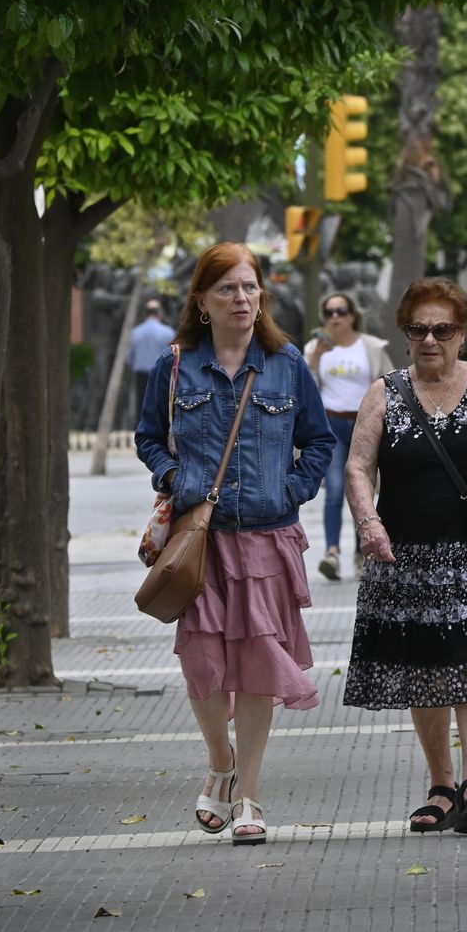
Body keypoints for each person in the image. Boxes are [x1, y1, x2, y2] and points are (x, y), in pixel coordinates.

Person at [135, 244, 335, 845]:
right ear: (202, 301)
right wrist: (176, 480)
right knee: (203, 665)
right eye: (227, 290)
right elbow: (149, 439)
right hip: (201, 543)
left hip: (266, 541)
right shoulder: (174, 367)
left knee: (254, 669)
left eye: (250, 288)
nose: (242, 299)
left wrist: (289, 492)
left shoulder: (285, 363)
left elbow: (320, 442)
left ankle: (248, 795)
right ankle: (219, 764)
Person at [343, 277, 467, 837]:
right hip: (405, 556)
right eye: (418, 330)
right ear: (405, 336)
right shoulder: (386, 392)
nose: (430, 339)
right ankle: (442, 785)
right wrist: (368, 520)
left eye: (442, 329)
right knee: (425, 670)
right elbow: (358, 465)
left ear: (463, 333)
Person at [302, 293, 391, 581]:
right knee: (336, 489)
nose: (335, 317)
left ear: (352, 314)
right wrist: (314, 359)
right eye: (329, 313)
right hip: (332, 425)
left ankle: (361, 552)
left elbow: (389, 382)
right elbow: (305, 388)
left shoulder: (371, 347)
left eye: (341, 311)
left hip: (364, 426)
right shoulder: (315, 348)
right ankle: (332, 552)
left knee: (362, 489)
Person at [128, 299, 176, 424]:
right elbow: (174, 355)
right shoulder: (168, 332)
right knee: (161, 401)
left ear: (145, 313)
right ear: (159, 313)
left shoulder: (135, 332)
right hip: (161, 372)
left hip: (141, 372)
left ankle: (141, 429)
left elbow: (130, 357)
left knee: (141, 401)